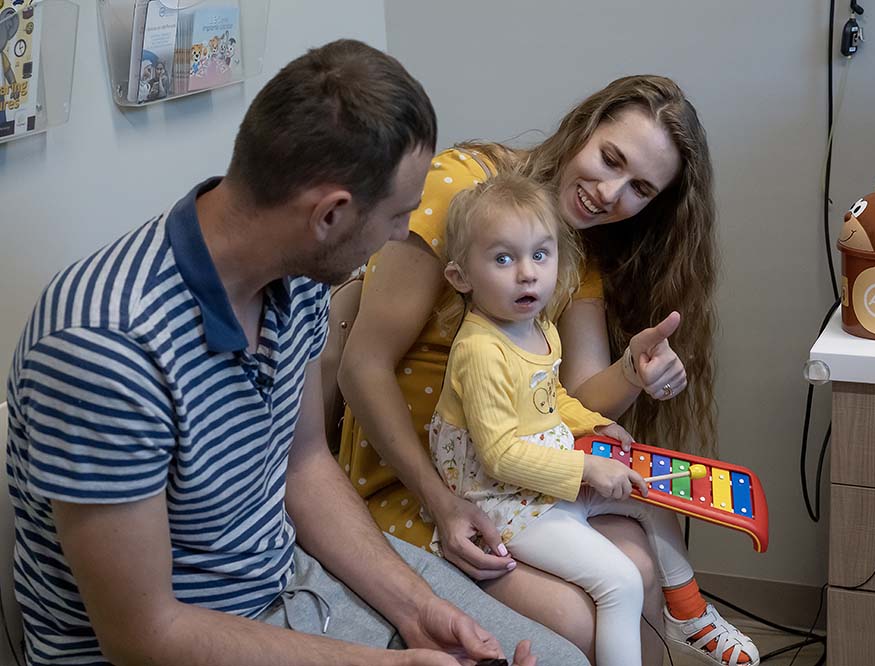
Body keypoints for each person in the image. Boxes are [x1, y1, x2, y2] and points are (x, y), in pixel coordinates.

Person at [4, 40, 587, 666]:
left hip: (287, 579)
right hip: (176, 642)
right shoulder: (105, 348)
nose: (402, 235)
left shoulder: (298, 282)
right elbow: (143, 636)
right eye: (398, 215)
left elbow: (304, 463)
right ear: (330, 215)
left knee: (560, 661)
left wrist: (415, 608)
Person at [337, 75, 738, 665]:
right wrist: (444, 505)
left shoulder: (570, 246)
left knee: (641, 561)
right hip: (421, 482)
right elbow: (360, 367)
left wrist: (633, 370)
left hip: (514, 473)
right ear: (583, 127)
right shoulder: (460, 193)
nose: (609, 193)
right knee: (582, 616)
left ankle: (682, 618)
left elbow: (571, 395)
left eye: (639, 189)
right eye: (609, 159)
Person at [425, 173, 757, 666]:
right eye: (503, 258)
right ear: (460, 278)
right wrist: (587, 470)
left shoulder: (536, 328)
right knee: (620, 581)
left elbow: (550, 396)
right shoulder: (481, 351)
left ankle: (688, 613)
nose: (527, 274)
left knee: (654, 495)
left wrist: (590, 424)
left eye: (540, 255)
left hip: (545, 476)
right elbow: (498, 457)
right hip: (503, 502)